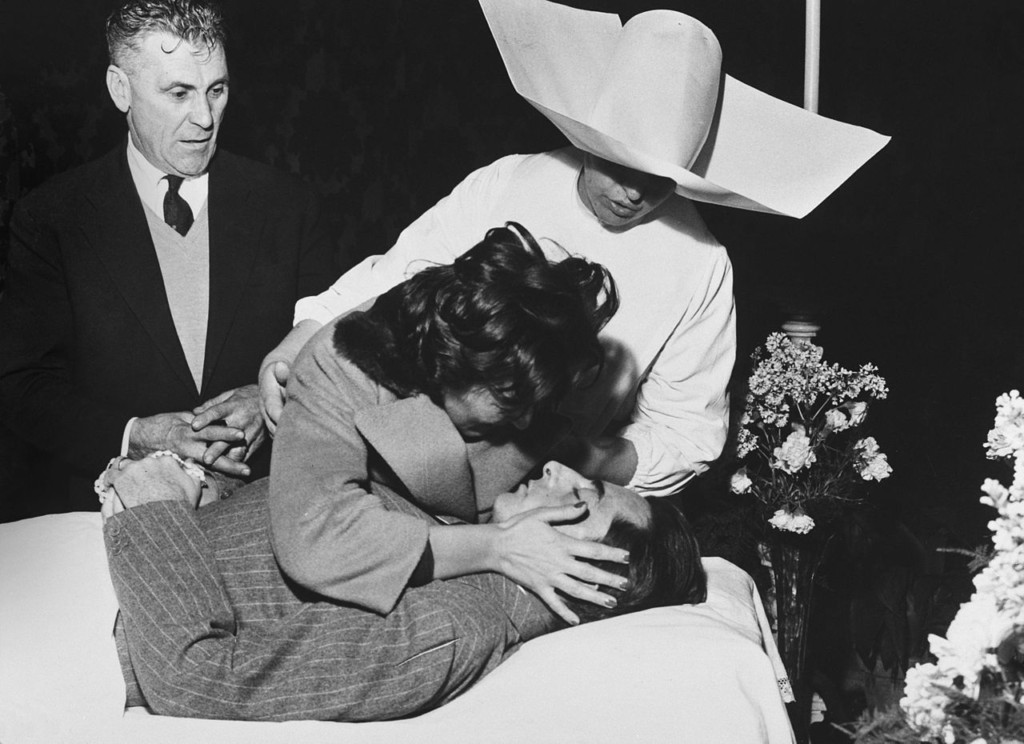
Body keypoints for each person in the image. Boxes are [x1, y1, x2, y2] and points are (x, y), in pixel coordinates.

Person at [258, 0, 889, 499]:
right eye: (619, 164)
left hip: (545, 494)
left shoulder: (702, 264)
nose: (633, 193)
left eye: (662, 179)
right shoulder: (508, 182)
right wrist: (293, 349)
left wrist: (569, 453)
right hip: (399, 445)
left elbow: (684, 437)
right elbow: (390, 278)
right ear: (587, 136)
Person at [0, 0, 336, 516]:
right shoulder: (52, 218)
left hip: (276, 510)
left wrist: (272, 397)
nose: (204, 118)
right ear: (121, 89)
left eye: (216, 90)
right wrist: (134, 435)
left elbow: (340, 350)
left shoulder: (290, 206)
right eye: (179, 93)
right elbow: (22, 386)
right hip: (111, 519)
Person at [98, 446, 706, 722]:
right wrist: (201, 486)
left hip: (96, 622)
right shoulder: (472, 560)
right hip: (120, 571)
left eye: (579, 499)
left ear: (591, 575)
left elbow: (197, 678)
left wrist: (151, 509)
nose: (556, 467)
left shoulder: (450, 628)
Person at [270, 223, 631, 625]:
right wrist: (496, 547)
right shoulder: (338, 366)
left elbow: (590, 456)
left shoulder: (523, 366)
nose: (527, 422)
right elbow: (316, 541)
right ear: (450, 365)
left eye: (539, 403)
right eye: (510, 401)